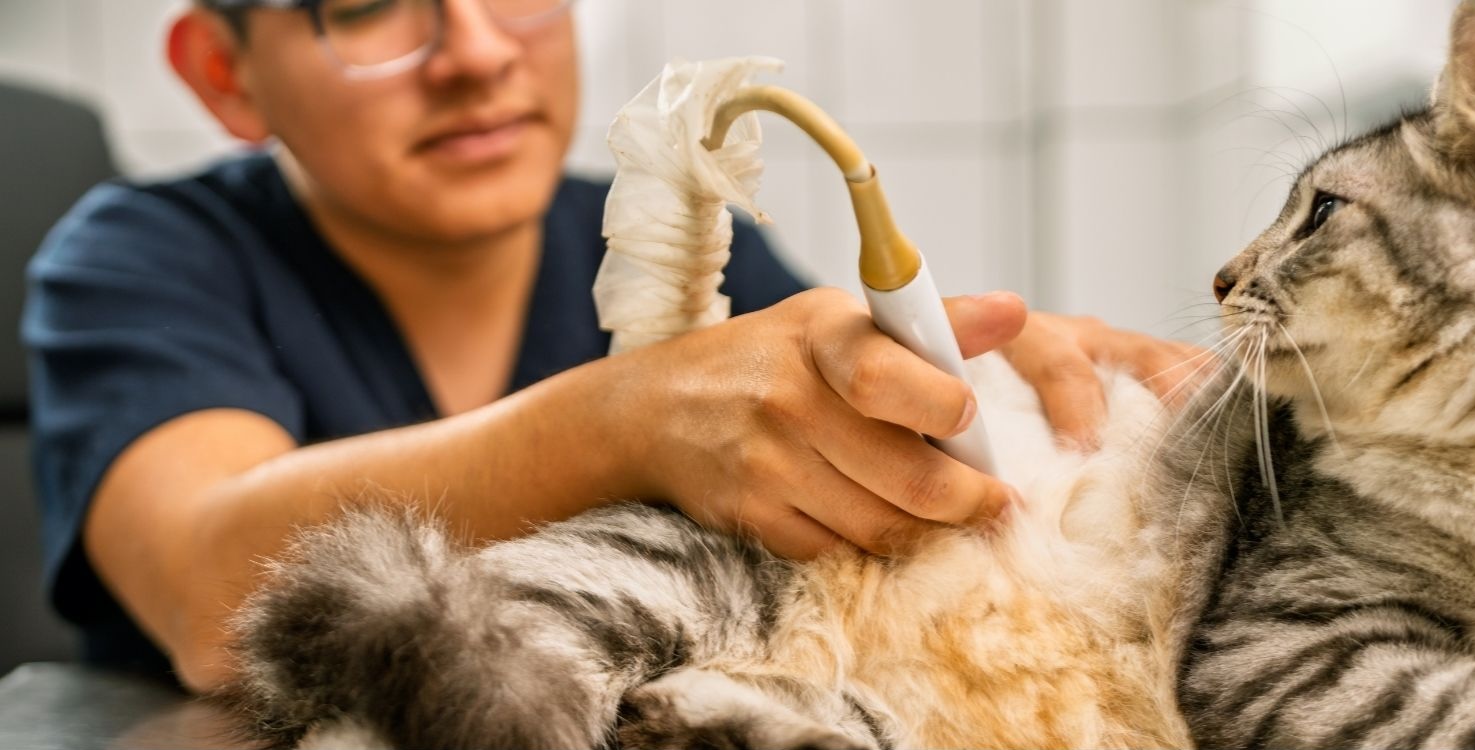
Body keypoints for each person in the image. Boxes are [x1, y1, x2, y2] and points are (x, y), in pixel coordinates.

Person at [22, 0, 1200, 693]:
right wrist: (626, 417)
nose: (480, 51)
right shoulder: (139, 259)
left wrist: (995, 404)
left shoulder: (682, 237)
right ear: (226, 75)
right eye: (367, 5)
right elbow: (204, 588)